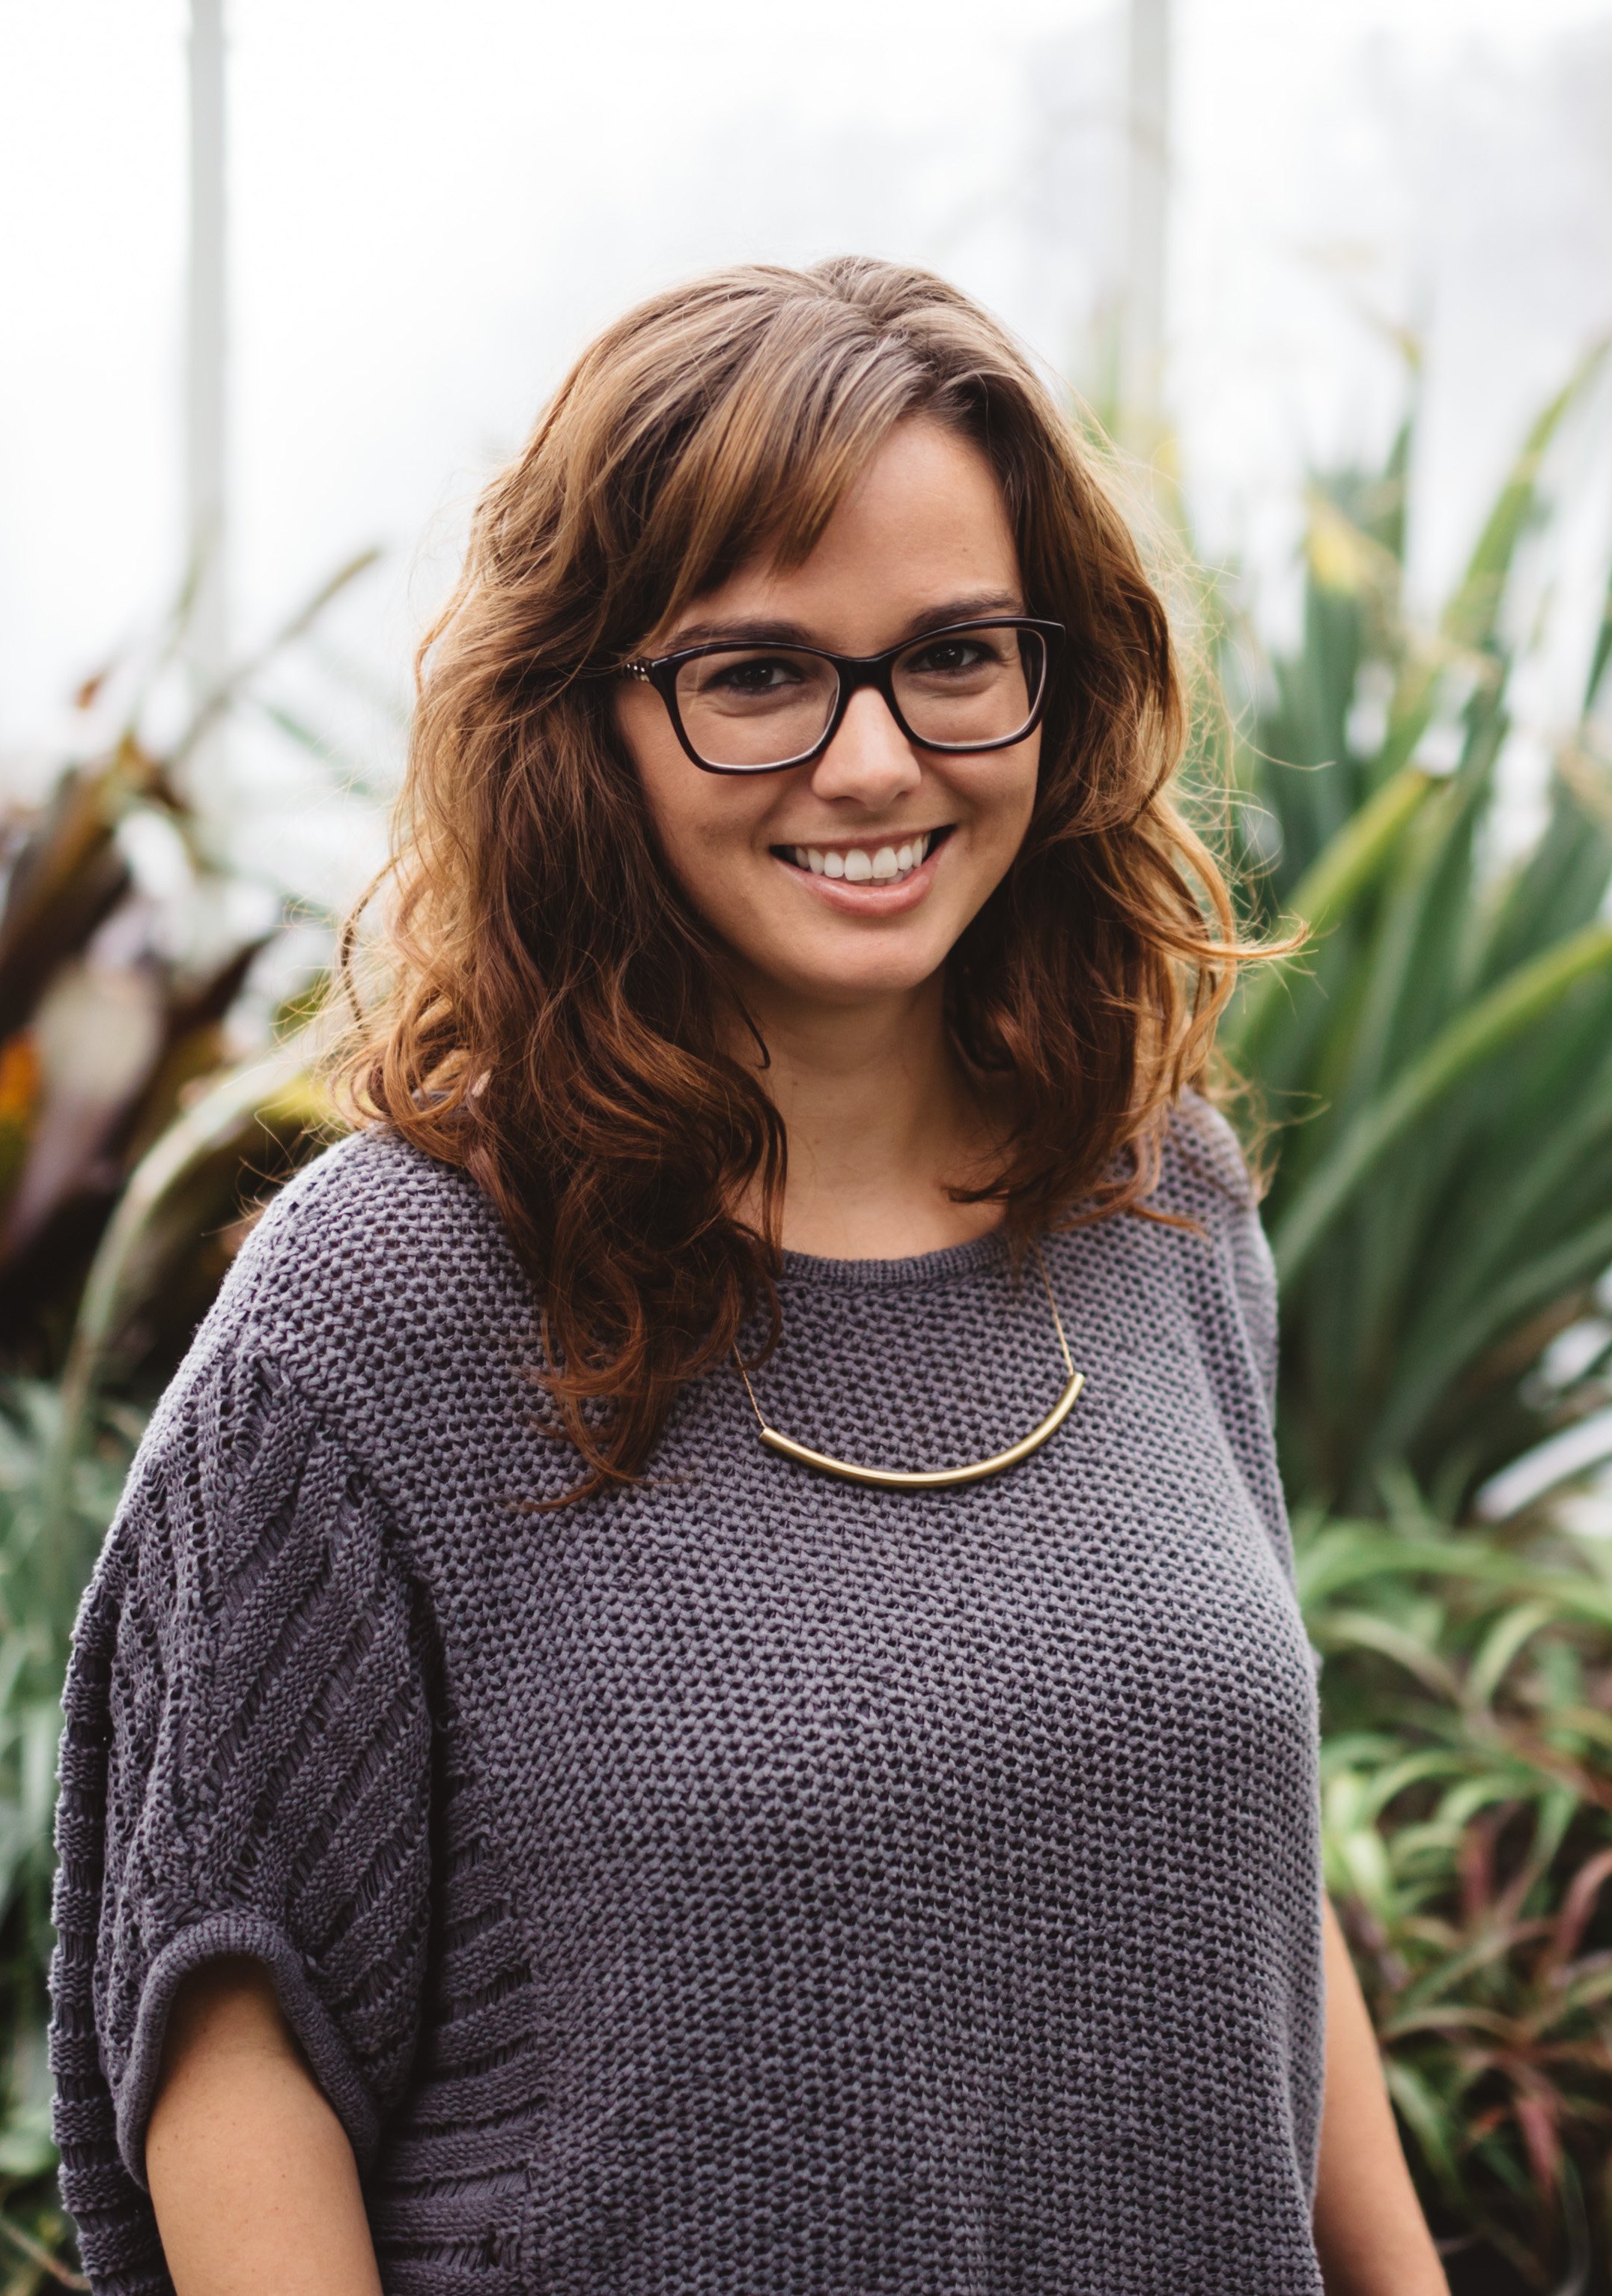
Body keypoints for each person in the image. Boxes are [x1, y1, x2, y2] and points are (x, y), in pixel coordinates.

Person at [48, 256, 1449, 2296]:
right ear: (587, 713)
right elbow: (230, 2031)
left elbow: (1239, 1864)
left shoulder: (1158, 1207)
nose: (873, 762)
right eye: (758, 672)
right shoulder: (382, 1312)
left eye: (955, 654)